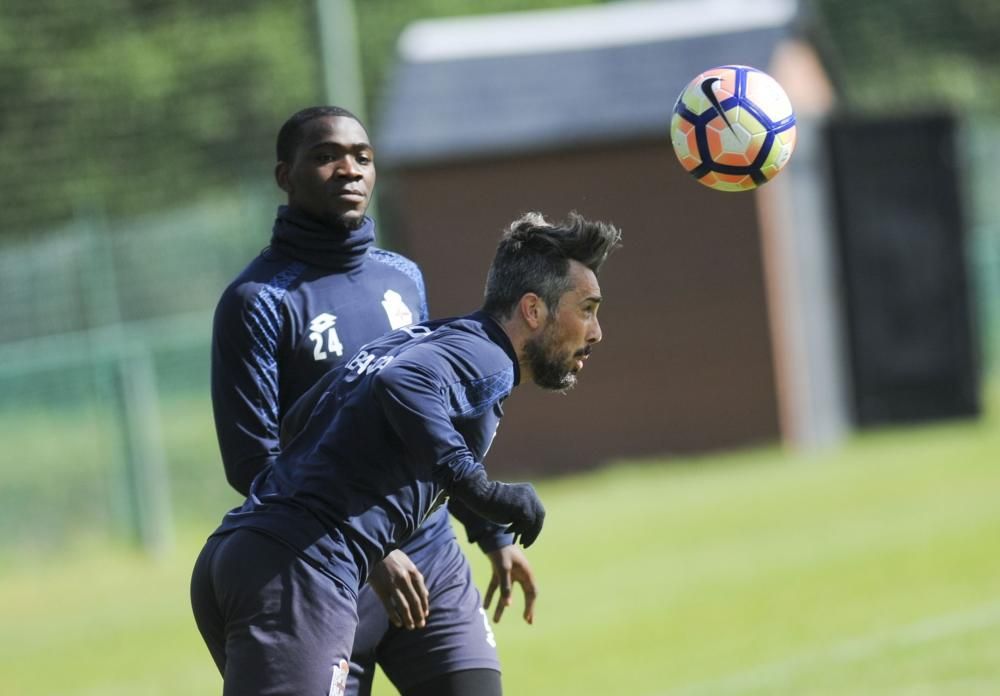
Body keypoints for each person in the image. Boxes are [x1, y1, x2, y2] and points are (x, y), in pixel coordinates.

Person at [192, 207, 621, 696]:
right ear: (533, 310)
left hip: (250, 555)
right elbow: (403, 384)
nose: (596, 331)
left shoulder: (430, 337)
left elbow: (301, 421)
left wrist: (484, 528)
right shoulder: (488, 360)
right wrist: (481, 489)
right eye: (587, 309)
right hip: (298, 573)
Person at [207, 105, 537, 696]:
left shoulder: (402, 277)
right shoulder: (257, 301)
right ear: (285, 176)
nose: (348, 170)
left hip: (430, 555)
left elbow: (431, 423)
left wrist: (491, 534)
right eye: (325, 157)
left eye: (362, 156)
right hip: (322, 564)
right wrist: (373, 552)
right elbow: (251, 461)